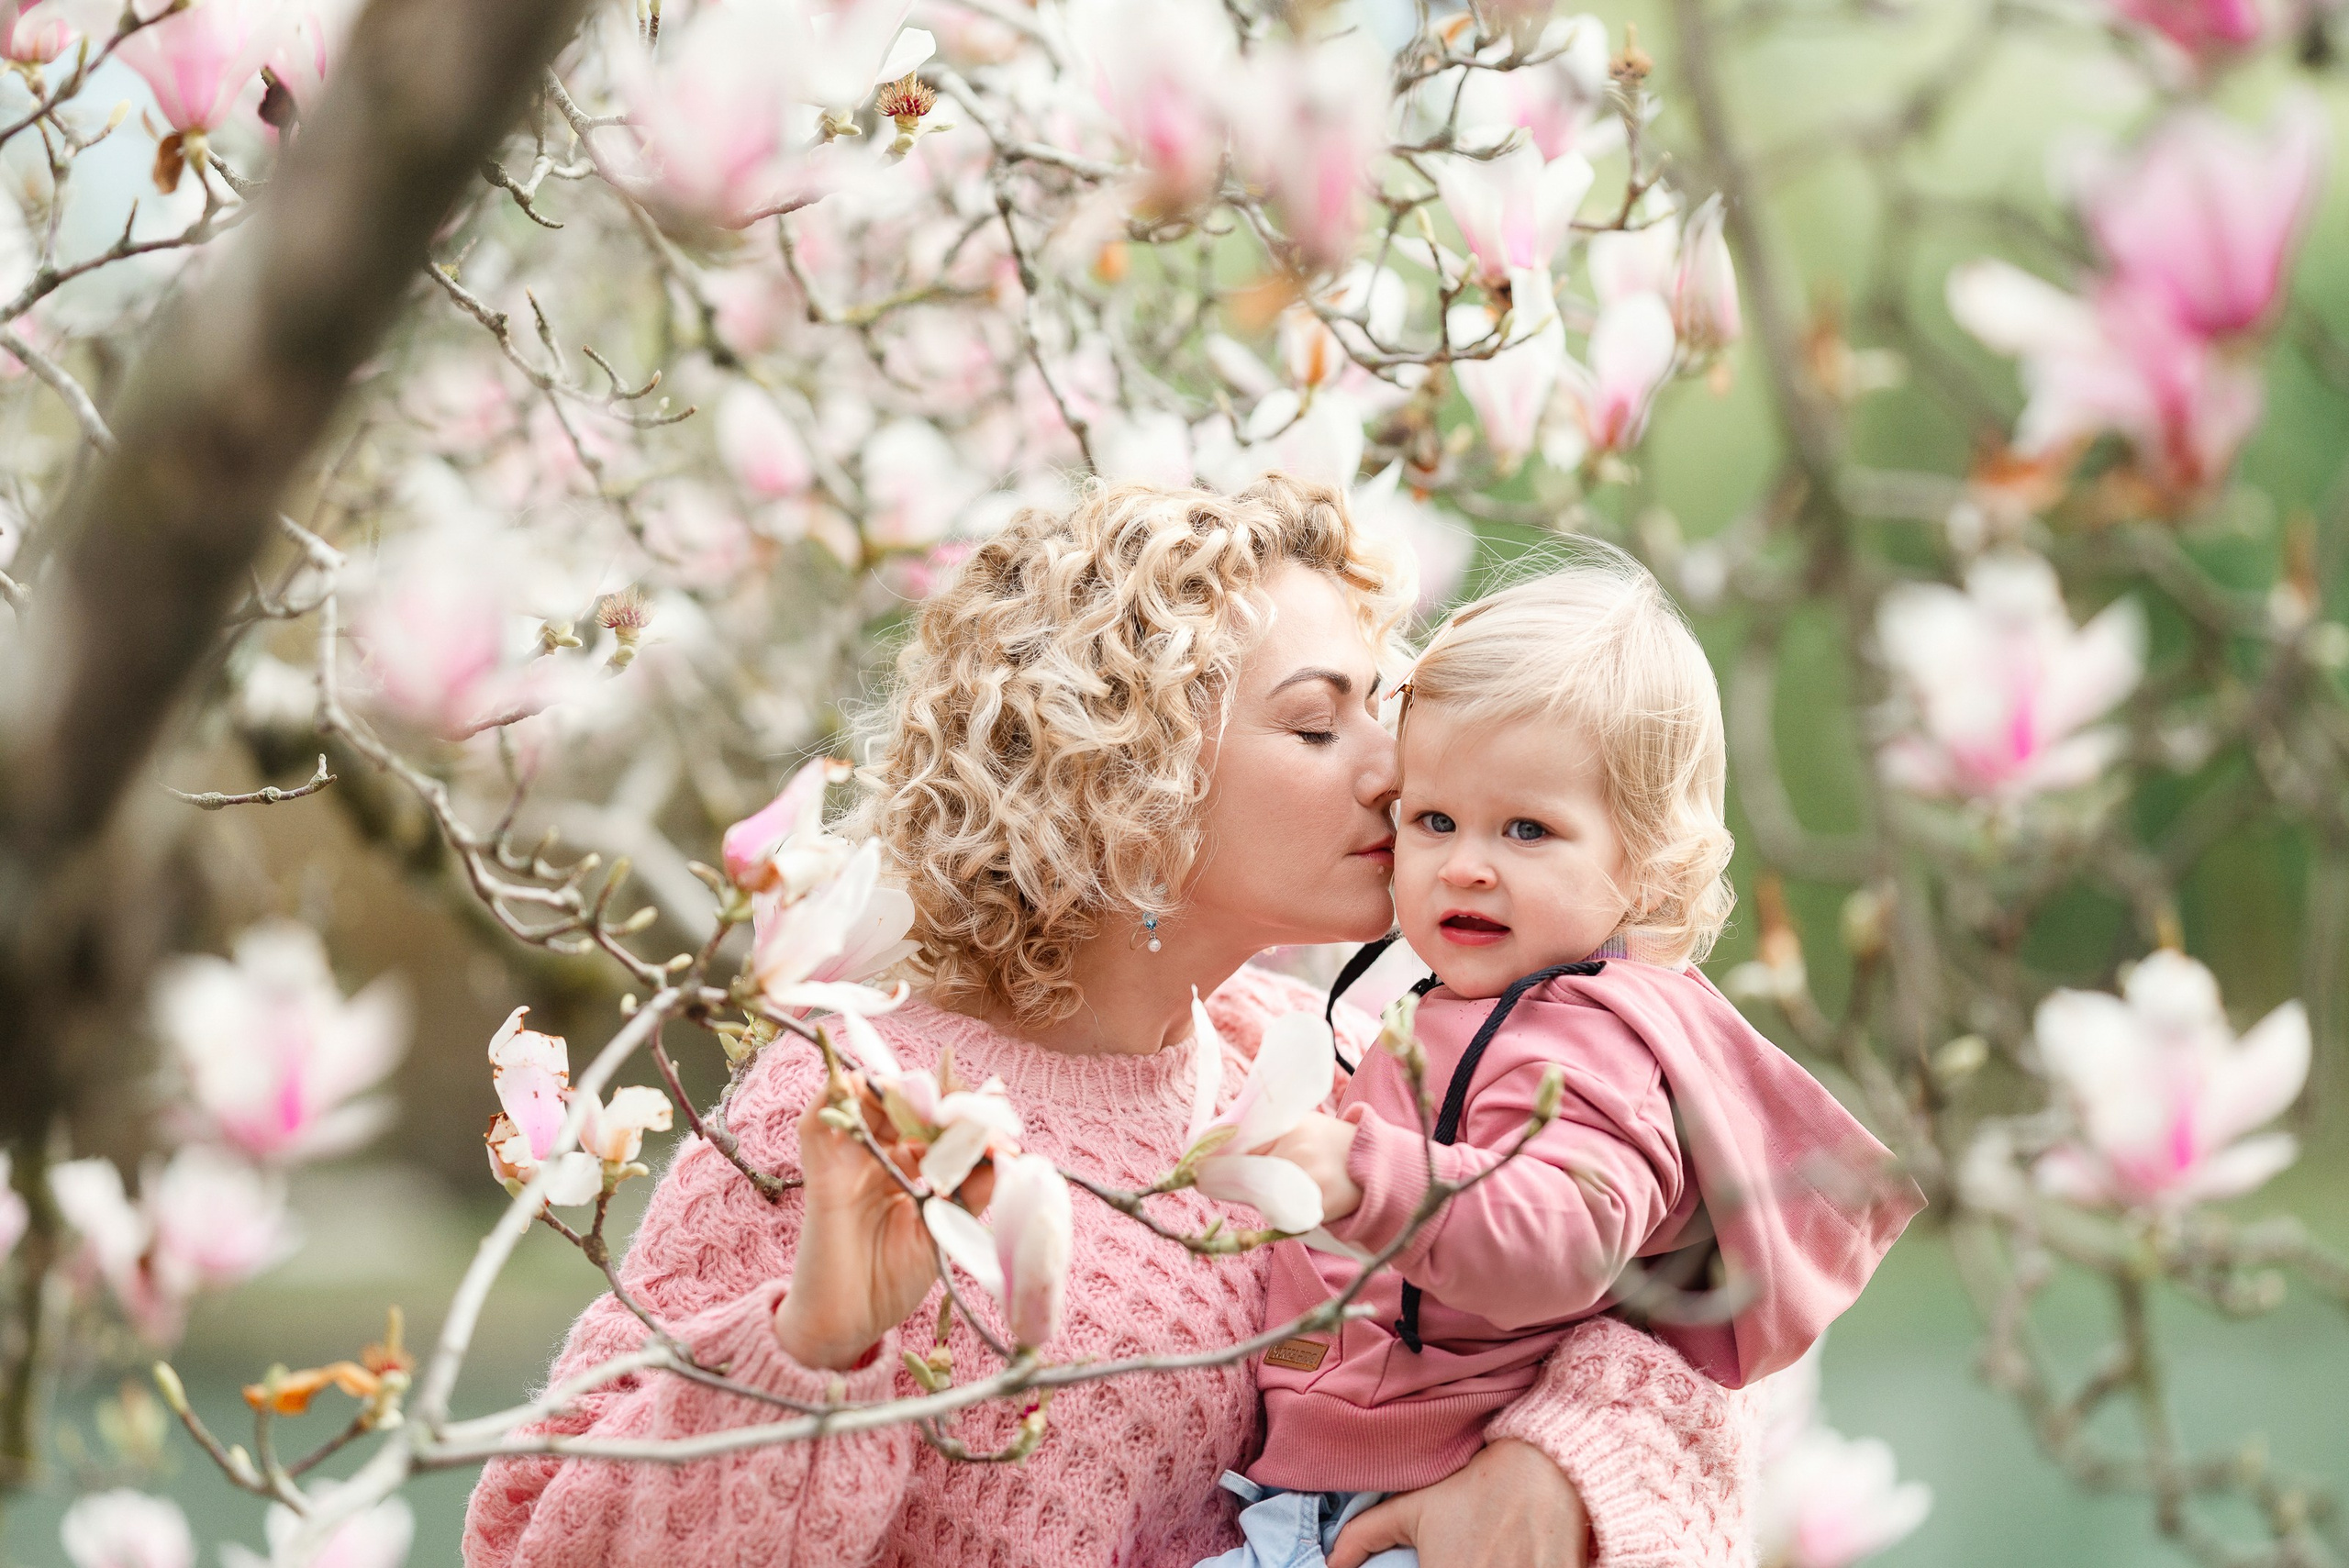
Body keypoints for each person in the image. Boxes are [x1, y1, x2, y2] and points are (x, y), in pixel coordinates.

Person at [463, 479, 1761, 1568]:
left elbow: (1666, 1325)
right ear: (1126, 776)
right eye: (1320, 722)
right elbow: (538, 1539)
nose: (1394, 768)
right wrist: (809, 1348)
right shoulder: (863, 1108)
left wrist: (1556, 1468)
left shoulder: (1315, 1059)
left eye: (1384, 704)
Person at [1199, 558, 1927, 1568]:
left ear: (1650, 860)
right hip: (1320, 1488)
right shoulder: (1469, 1006)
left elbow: (1568, 1233)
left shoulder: (1597, 1043)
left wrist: (1362, 1172)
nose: (1466, 865)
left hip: (1426, 1502)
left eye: (1528, 829)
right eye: (1435, 820)